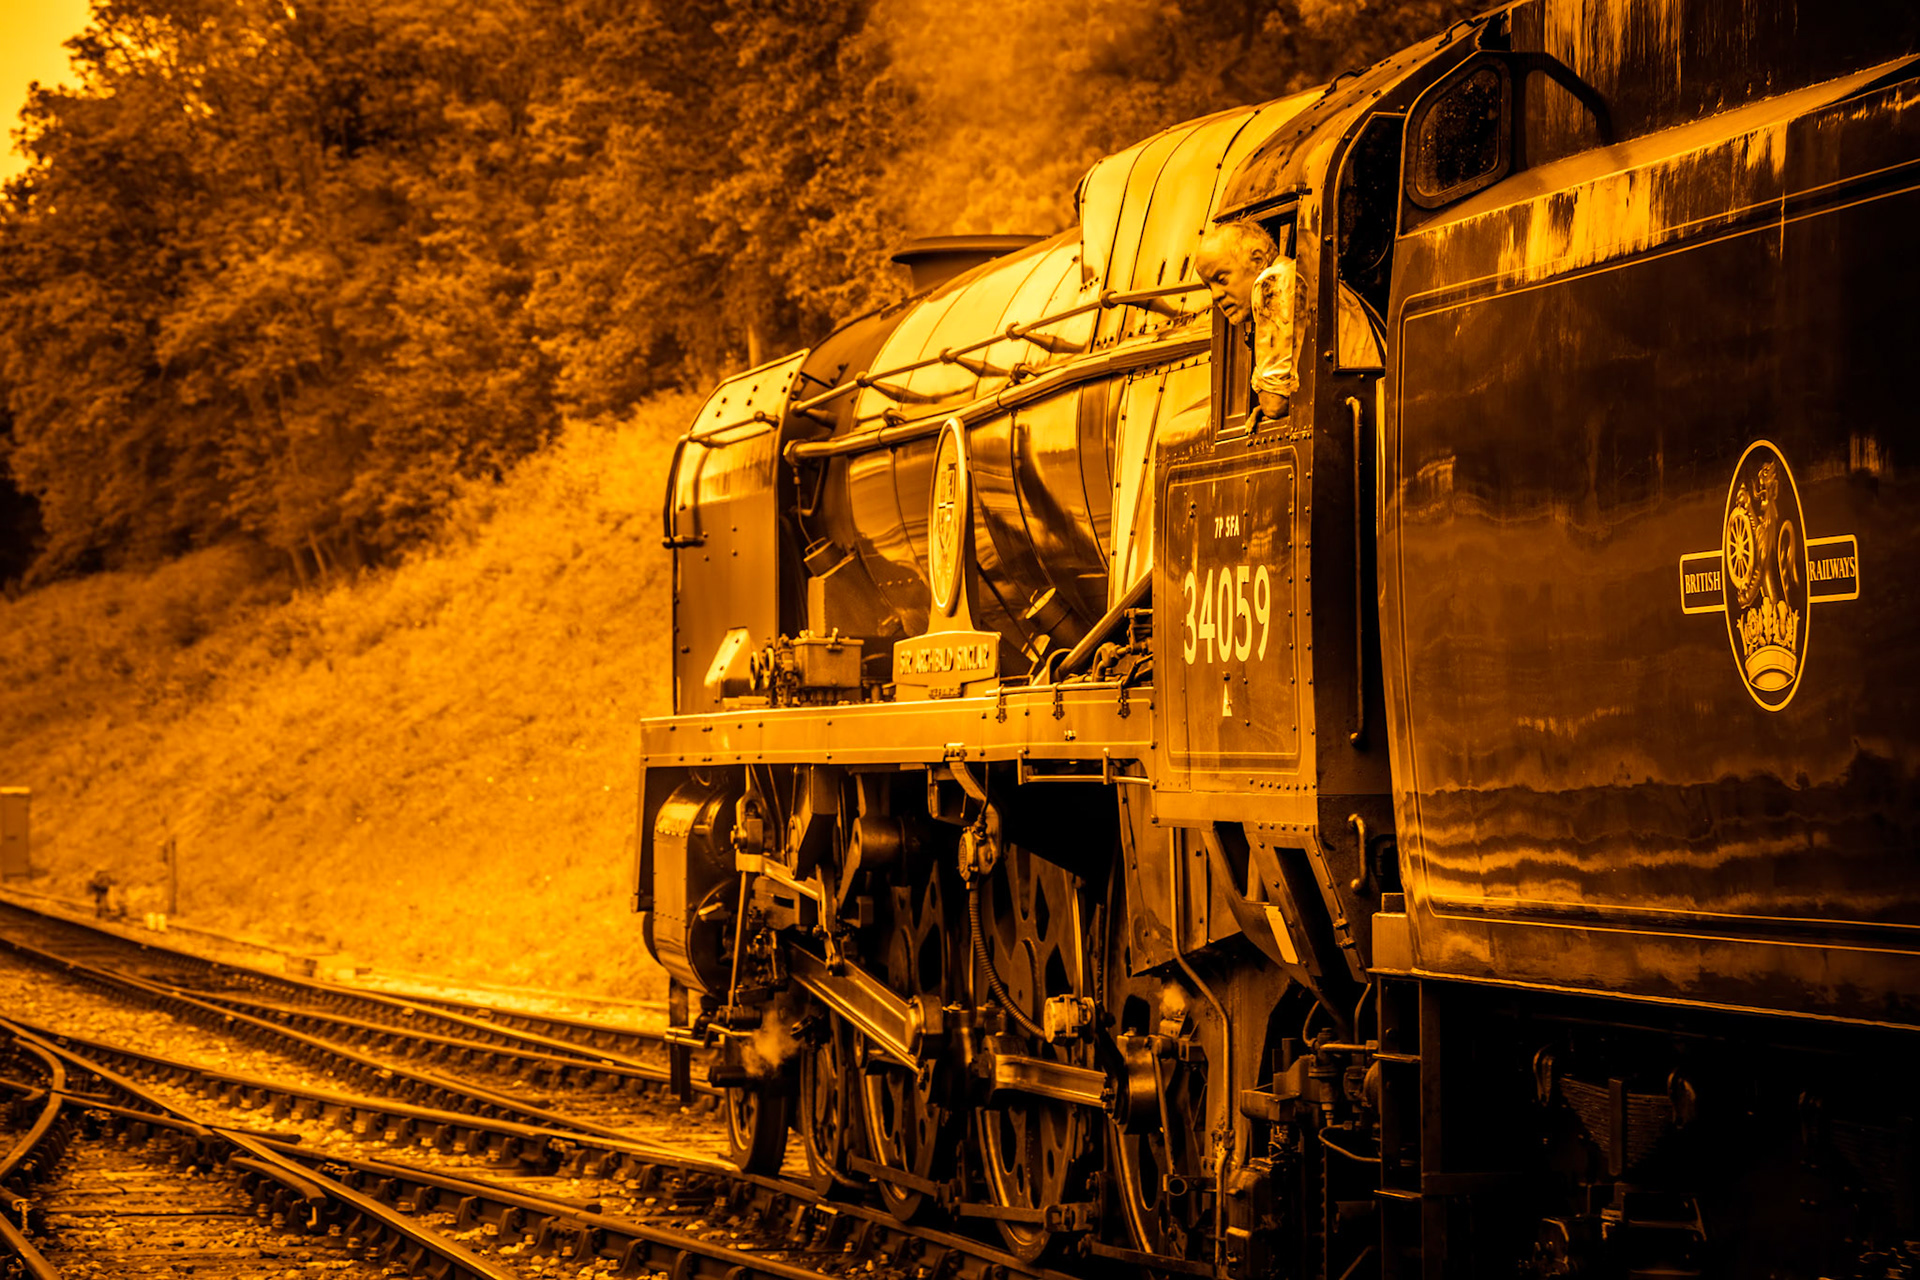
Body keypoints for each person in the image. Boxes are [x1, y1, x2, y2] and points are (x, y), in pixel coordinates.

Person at [1195, 220, 1297, 425]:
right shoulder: (1294, 274)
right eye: (1209, 287)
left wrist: (1267, 396)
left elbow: (1274, 405)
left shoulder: (1274, 283)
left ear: (1258, 260)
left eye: (1222, 279)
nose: (1215, 296)